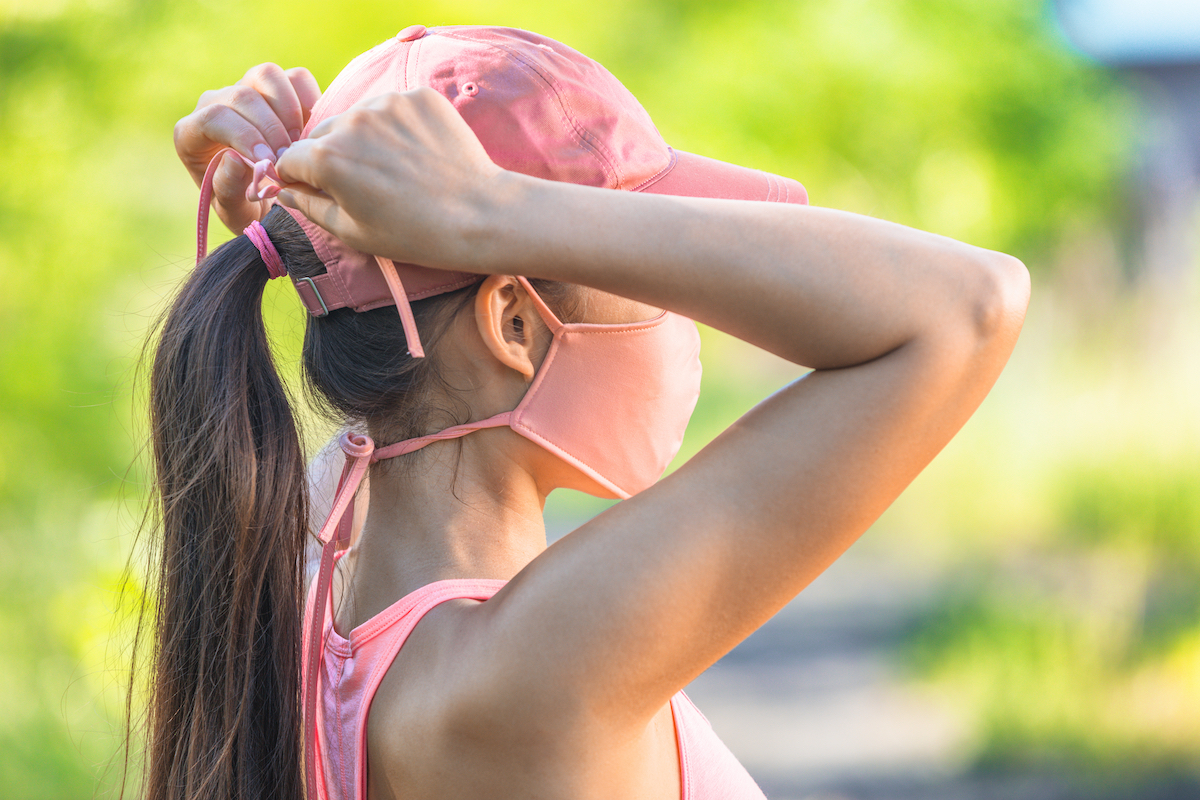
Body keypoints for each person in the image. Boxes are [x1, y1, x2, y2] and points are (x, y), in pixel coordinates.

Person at [148, 23, 1028, 800]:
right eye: (622, 252)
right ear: (515, 321)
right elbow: (968, 306)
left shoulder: (299, 592)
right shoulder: (525, 674)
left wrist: (301, 234)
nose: (674, 314)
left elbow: (391, 343)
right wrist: (492, 211)